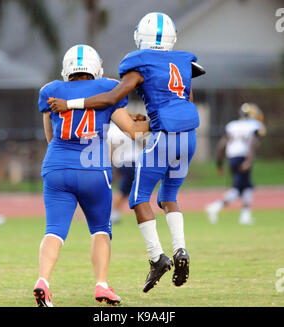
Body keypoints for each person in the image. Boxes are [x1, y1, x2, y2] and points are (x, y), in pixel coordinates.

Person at [48, 12, 205, 293]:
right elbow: (185, 98)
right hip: (190, 136)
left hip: (164, 136)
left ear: (140, 36)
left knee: (137, 197)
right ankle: (181, 249)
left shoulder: (139, 63)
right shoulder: (183, 61)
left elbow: (111, 98)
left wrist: (70, 103)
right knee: (168, 197)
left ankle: (157, 257)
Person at [34, 44, 150, 307]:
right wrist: (157, 121)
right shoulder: (107, 87)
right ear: (95, 67)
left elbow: (51, 137)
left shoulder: (50, 91)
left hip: (57, 167)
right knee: (100, 231)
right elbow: (133, 131)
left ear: (67, 70)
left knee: (54, 231)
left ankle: (43, 281)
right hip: (93, 169)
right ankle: (101, 286)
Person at [205, 103, 266, 225]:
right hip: (243, 157)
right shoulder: (254, 125)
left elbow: (221, 145)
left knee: (247, 186)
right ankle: (215, 207)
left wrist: (219, 164)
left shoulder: (232, 125)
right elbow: (252, 143)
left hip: (232, 158)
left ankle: (245, 215)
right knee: (239, 188)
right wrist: (248, 161)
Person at [107, 120, 145, 224]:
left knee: (127, 189)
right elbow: (142, 143)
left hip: (121, 162)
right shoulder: (127, 125)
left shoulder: (111, 129)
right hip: (132, 161)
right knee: (125, 189)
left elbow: (110, 150)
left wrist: (110, 166)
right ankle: (113, 213)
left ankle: (115, 212)